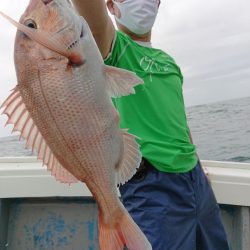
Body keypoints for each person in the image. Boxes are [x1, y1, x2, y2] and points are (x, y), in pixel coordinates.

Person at [72, 0, 229, 249]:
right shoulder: (112, 49)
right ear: (111, 6)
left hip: (195, 180)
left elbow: (179, 121)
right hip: (151, 188)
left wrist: (196, 163)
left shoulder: (169, 61)